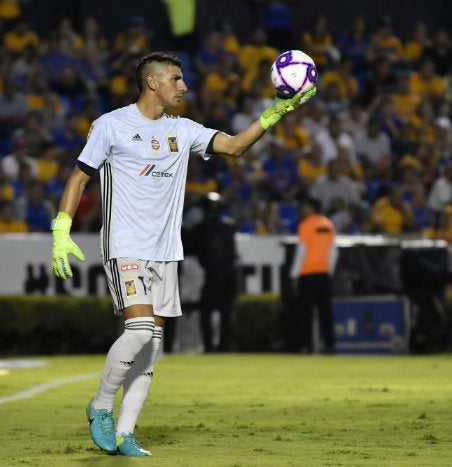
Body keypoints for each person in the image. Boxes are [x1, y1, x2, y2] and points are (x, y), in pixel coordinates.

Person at [49, 51, 316, 456]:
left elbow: (234, 146)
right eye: (176, 79)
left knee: (152, 345)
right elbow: (78, 177)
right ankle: (101, 406)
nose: (184, 86)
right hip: (125, 244)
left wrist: (275, 112)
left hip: (166, 250)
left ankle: (125, 432)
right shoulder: (111, 126)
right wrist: (61, 229)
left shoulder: (184, 129)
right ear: (152, 82)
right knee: (138, 331)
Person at [289, 197, 338, 354]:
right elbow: (333, 252)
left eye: (305, 207)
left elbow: (301, 253)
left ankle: (306, 346)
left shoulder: (306, 225)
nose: (302, 210)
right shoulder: (329, 225)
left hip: (308, 275)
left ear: (311, 208)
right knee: (326, 313)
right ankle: (330, 344)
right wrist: (328, 271)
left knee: (305, 313)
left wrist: (294, 275)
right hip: (323, 275)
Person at [191, 192, 238, 352]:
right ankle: (225, 346)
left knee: (206, 311)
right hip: (229, 274)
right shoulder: (229, 226)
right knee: (226, 312)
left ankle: (209, 346)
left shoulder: (200, 228)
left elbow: (191, 249)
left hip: (213, 274)